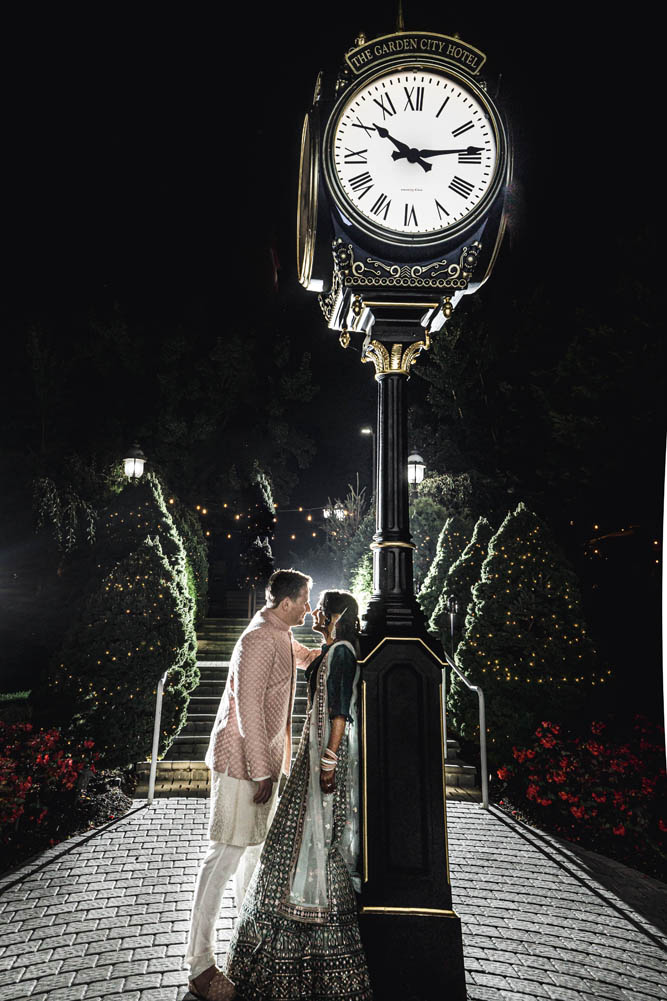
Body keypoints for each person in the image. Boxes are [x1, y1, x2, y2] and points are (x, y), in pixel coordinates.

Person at [221, 589, 373, 1001]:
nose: (316, 612)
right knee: (294, 837)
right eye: (313, 603)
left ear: (339, 614)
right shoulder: (330, 649)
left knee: (316, 838)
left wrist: (327, 762)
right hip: (312, 750)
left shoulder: (342, 652)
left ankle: (311, 946)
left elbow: (341, 712)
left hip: (323, 754)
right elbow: (298, 655)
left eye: (323, 608)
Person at [186, 569, 322, 1001]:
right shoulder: (259, 638)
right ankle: (199, 965)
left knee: (253, 855)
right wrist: (262, 771)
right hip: (241, 765)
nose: (308, 607)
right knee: (223, 857)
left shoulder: (278, 630)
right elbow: (246, 708)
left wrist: (336, 642)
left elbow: (305, 657)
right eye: (304, 599)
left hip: (261, 765)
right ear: (286, 603)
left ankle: (246, 948)